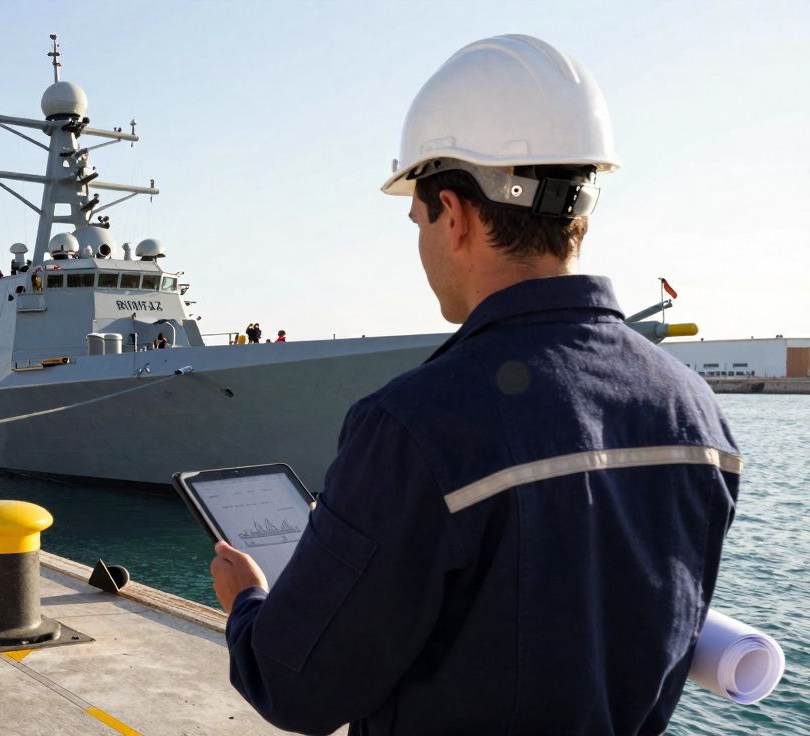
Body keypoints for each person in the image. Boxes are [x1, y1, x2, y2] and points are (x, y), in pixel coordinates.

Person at [210, 35, 739, 735]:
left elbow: (293, 688)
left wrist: (248, 602)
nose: (421, 242)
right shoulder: (699, 415)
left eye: (418, 219)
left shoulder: (411, 427)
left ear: (453, 214)